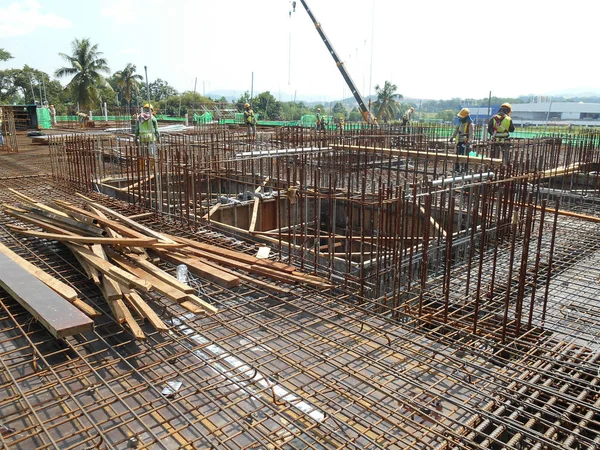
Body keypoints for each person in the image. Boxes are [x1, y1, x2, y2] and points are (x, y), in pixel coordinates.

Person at [450, 108, 474, 173]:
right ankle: (457, 168)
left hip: (465, 143)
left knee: (465, 157)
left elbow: (472, 135)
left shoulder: (470, 124)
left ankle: (464, 169)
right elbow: (456, 130)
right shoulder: (460, 122)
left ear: (466, 117)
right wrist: (452, 137)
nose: (461, 118)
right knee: (457, 155)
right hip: (459, 142)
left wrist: (469, 143)